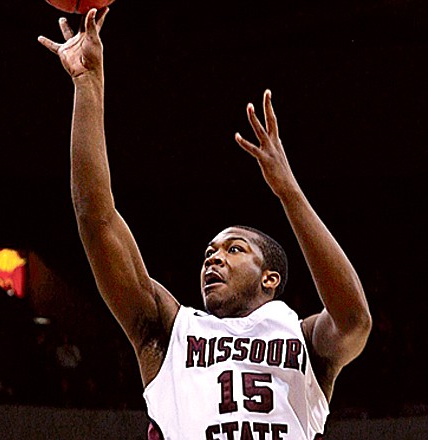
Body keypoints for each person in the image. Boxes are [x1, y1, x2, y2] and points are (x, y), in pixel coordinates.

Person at [38, 8, 372, 440]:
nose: (214, 258)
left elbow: (354, 320)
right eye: (210, 252)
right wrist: (88, 87)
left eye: (234, 249)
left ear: (270, 278)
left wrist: (289, 192)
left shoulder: (304, 339)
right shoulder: (166, 330)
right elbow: (97, 220)